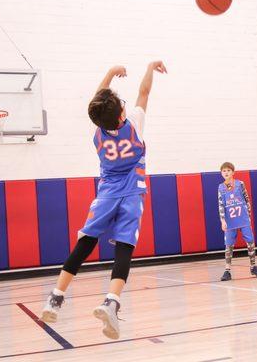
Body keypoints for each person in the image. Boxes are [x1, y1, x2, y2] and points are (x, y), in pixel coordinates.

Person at [40, 61, 167, 340]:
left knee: (85, 242)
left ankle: (56, 297)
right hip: (132, 191)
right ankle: (111, 301)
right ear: (121, 113)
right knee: (124, 246)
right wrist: (148, 67)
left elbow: (98, 101)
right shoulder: (133, 123)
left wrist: (110, 73)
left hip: (107, 192)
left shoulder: (97, 130)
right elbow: (144, 92)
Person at [218, 162, 257, 281]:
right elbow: (221, 205)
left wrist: (248, 216)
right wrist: (223, 220)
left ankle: (253, 266)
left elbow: (247, 200)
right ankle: (227, 270)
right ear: (221, 173)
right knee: (229, 245)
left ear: (233, 172)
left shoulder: (240, 184)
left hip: (243, 218)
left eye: (228, 170)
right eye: (224, 171)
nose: (226, 172)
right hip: (230, 221)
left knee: (250, 242)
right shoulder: (221, 187)